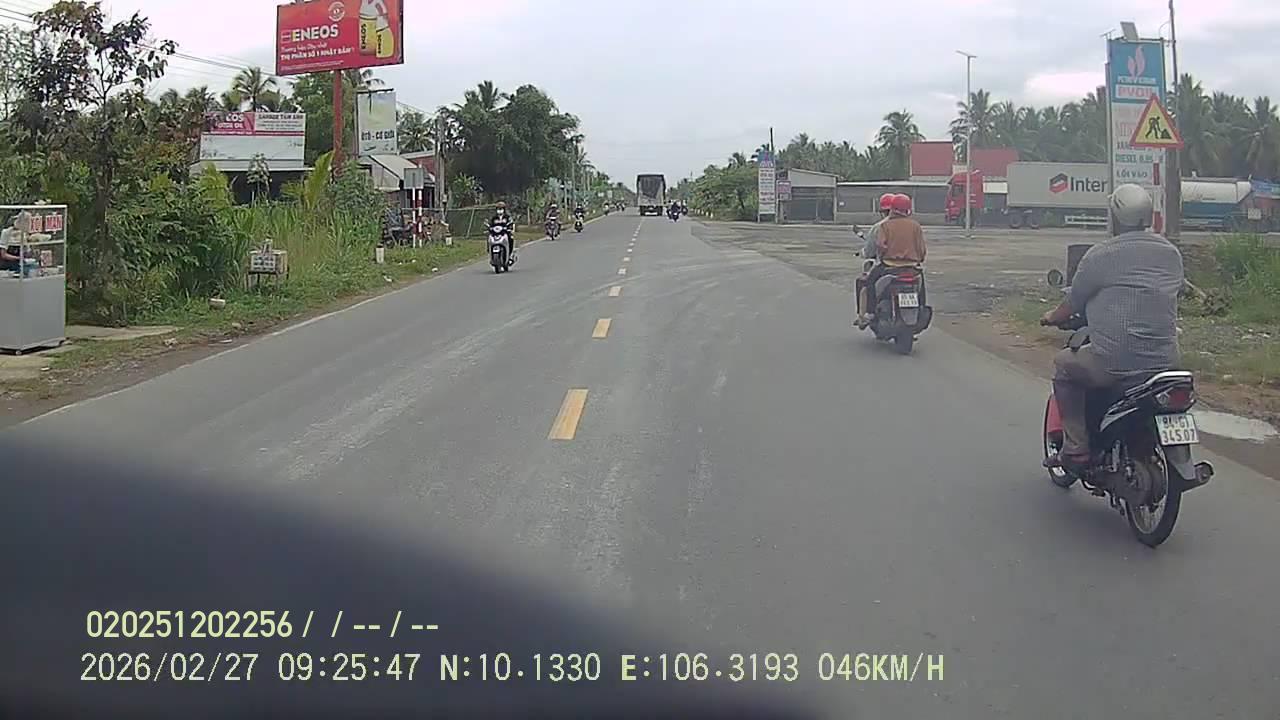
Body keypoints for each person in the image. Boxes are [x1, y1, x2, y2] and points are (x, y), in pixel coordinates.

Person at [1040, 183, 1184, 470]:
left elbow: (1073, 302)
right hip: (1165, 363)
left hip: (1114, 362)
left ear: (1115, 217)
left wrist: (1051, 317)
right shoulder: (1171, 253)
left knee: (1064, 367)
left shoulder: (1100, 255)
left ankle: (1076, 448)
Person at [858, 194, 926, 327]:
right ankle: (922, 308)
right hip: (912, 267)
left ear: (892, 209)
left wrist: (885, 254)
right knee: (921, 287)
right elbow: (922, 249)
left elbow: (881, 245)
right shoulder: (915, 226)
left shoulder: (885, 226)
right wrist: (918, 259)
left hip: (890, 266)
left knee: (870, 282)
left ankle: (870, 313)